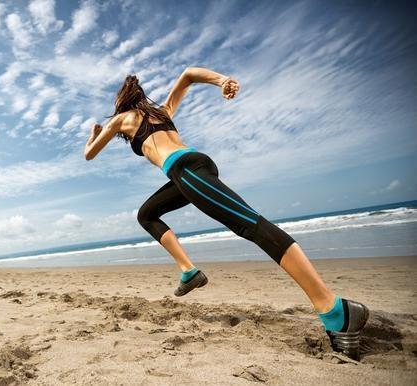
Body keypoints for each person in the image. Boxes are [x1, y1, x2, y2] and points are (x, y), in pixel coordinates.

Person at [83, 67, 369, 360]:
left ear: (122, 103)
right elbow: (188, 75)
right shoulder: (164, 112)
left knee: (252, 226)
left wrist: (93, 135)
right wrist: (223, 81)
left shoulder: (121, 119)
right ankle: (189, 272)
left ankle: (335, 310)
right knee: (147, 214)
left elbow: (89, 154)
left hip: (185, 171)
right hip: (192, 168)